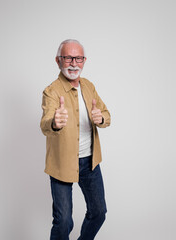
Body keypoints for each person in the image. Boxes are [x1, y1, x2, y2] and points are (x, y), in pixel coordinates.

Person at [40, 39, 111, 240]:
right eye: (68, 58)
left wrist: (101, 118)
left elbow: (106, 114)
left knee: (98, 213)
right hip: (62, 163)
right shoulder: (51, 91)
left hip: (90, 162)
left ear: (84, 60)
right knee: (63, 222)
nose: (73, 63)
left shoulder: (89, 86)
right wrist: (54, 121)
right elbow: (45, 122)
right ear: (58, 60)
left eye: (78, 58)